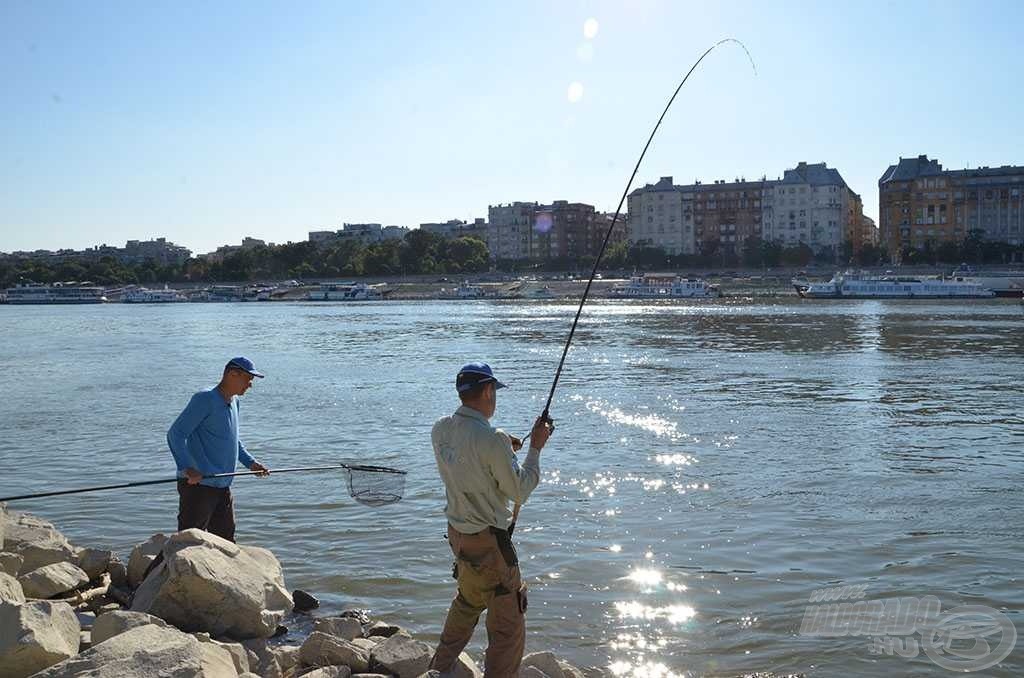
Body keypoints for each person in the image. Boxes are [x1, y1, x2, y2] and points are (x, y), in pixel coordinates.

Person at [429, 362, 553, 676]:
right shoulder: (492, 439)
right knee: (507, 628)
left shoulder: (440, 428)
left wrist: (502, 449)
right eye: (493, 392)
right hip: (490, 544)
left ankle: (438, 668)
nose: (494, 398)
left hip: (458, 537)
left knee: (468, 601)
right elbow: (519, 491)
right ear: (487, 391)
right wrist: (535, 448)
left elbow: (468, 459)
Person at [166, 356, 270, 542]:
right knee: (187, 543)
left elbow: (233, 440)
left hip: (223, 485)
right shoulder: (205, 399)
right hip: (198, 486)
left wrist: (251, 463)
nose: (250, 385)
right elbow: (175, 434)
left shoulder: (235, 401)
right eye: (248, 379)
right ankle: (155, 571)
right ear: (232, 374)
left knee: (226, 542)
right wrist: (187, 468)